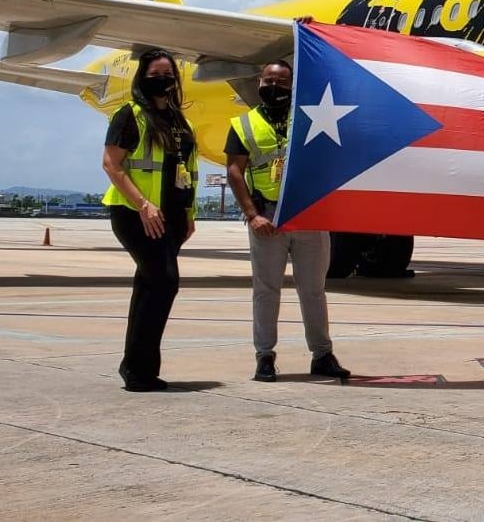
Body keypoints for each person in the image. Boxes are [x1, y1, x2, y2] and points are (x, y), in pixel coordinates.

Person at [225, 59, 350, 383]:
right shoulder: (244, 125)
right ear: (259, 83)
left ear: (292, 87)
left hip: (307, 215)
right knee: (266, 291)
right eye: (268, 82)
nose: (273, 88)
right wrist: (252, 215)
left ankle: (322, 354)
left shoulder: (311, 119)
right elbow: (235, 171)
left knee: (314, 291)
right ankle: (264, 356)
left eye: (281, 83)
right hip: (267, 218)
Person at [102, 48, 198, 392]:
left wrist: (189, 214)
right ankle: (139, 370)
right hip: (136, 213)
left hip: (170, 216)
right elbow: (112, 165)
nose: (164, 80)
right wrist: (144, 204)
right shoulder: (130, 115)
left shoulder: (178, 120)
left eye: (168, 74)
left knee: (149, 284)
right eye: (156, 74)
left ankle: (136, 368)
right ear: (143, 78)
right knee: (163, 282)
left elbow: (188, 171)